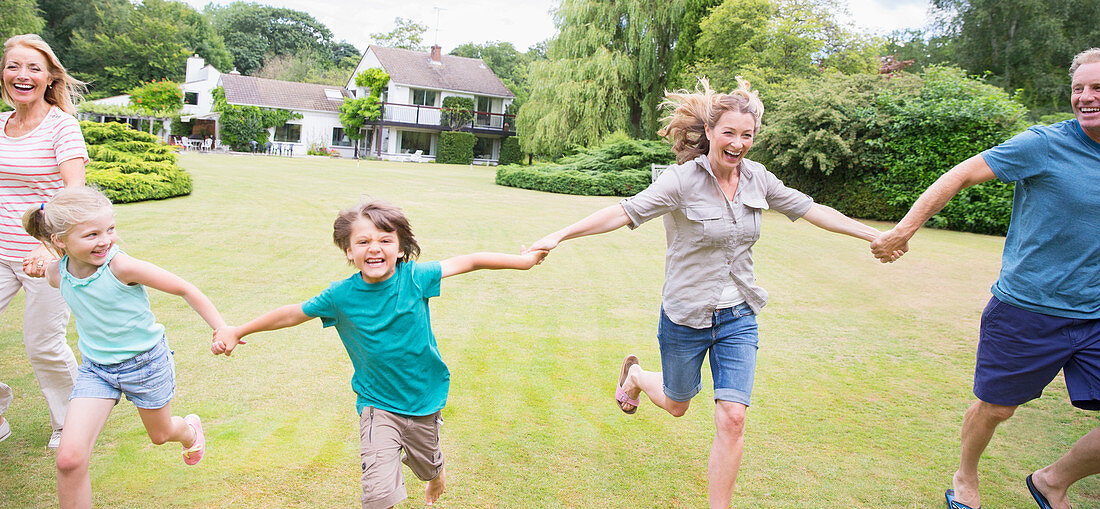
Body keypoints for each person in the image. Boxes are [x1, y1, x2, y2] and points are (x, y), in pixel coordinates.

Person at [525, 78, 895, 508]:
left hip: (739, 314)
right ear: (710, 132)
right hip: (686, 314)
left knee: (733, 416)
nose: (738, 144)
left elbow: (812, 209)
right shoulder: (681, 181)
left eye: (747, 135)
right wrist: (559, 234)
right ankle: (638, 377)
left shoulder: (759, 180)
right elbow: (623, 211)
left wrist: (874, 235)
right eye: (730, 133)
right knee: (679, 404)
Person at [871, 48, 1100, 509]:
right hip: (1027, 309)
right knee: (997, 408)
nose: (1086, 97)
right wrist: (903, 230)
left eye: (1097, 89)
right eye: (1079, 88)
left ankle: (1053, 480)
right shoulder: (1045, 144)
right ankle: (965, 476)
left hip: (1094, 313)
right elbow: (960, 174)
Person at [212, 200, 548, 509]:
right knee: (378, 495)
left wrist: (524, 262)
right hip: (377, 406)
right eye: (363, 242)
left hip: (423, 400)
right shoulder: (339, 296)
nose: (374, 248)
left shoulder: (416, 278)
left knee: (426, 464)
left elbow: (471, 261)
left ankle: (436, 474)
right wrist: (238, 330)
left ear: (401, 249)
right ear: (349, 251)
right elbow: (292, 313)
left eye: (385, 240)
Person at [22, 187, 226, 508]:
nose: (105, 240)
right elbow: (49, 269)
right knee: (69, 460)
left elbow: (185, 288)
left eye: (110, 229)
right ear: (60, 239)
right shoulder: (57, 273)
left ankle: (189, 431)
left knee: (160, 435)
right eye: (92, 234)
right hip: (96, 370)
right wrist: (42, 264)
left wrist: (221, 327)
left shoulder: (121, 267)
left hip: (145, 364)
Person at [0, 33, 87, 449]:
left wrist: (48, 244)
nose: (22, 75)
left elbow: (73, 194)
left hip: (45, 257)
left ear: (50, 76)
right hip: (0, 253)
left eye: (34, 67)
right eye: (14, 65)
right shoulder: (0, 124)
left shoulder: (62, 127)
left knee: (43, 345)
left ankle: (71, 425)